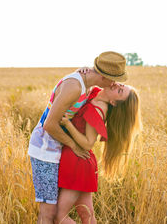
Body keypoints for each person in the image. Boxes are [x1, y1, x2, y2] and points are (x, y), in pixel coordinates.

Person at [28, 51, 128, 224]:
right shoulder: (74, 86)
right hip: (45, 150)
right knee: (48, 213)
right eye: (114, 79)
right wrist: (74, 146)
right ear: (105, 77)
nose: (114, 83)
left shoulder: (88, 85)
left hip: (58, 150)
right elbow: (49, 125)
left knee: (77, 213)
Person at [54, 83, 141, 224]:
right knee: (86, 215)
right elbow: (89, 80)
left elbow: (89, 143)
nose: (117, 85)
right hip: (80, 161)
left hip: (78, 162)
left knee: (58, 216)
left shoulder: (99, 109)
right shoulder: (96, 93)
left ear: (113, 102)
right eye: (122, 85)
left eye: (120, 91)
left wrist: (68, 125)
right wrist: (84, 70)